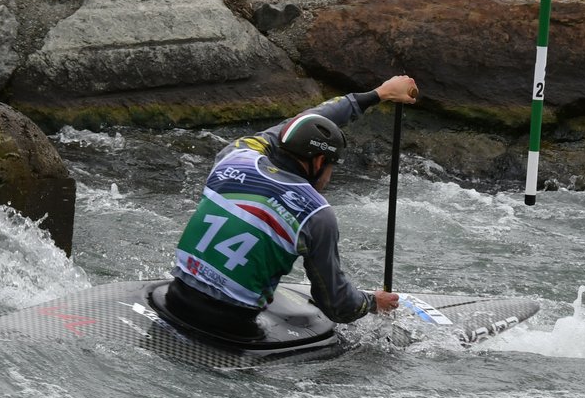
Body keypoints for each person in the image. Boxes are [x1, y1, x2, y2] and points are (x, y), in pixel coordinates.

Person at [166, 74, 420, 341]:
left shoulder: (235, 156)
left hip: (176, 298)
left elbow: (293, 125)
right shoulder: (316, 214)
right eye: (332, 167)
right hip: (232, 326)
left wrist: (378, 93)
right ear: (320, 160)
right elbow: (337, 305)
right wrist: (372, 302)